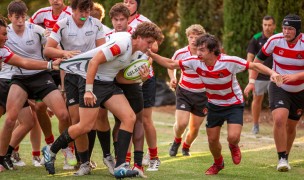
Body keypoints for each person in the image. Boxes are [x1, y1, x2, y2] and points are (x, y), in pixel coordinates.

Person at [146, 33, 281, 175]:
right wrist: (151, 55)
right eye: (198, 49)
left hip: (233, 103)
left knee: (233, 137)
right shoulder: (194, 61)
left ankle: (233, 145)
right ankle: (218, 163)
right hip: (214, 104)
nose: (198, 53)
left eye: (202, 50)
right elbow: (171, 63)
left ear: (212, 51)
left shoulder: (229, 62)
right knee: (212, 140)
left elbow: (255, 65)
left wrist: (272, 73)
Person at [41, 22, 163, 178]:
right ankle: (50, 150)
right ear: (138, 37)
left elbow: (120, 77)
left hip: (108, 84)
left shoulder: (137, 53)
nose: (151, 46)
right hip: (90, 81)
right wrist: (89, 91)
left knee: (129, 117)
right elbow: (94, 62)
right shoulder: (121, 45)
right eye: (149, 42)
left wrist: (141, 80)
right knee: (85, 126)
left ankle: (120, 166)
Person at [43, 0, 106, 175]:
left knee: (87, 122)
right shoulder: (62, 25)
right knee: (76, 120)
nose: (85, 15)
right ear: (72, 10)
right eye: (81, 11)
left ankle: (79, 159)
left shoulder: (97, 24)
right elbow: (48, 50)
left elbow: (103, 50)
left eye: (87, 11)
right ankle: (84, 162)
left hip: (90, 76)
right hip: (70, 76)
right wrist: (64, 53)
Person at [0, 14, 62, 170]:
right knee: (10, 120)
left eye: (6, 34)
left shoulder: (4, 51)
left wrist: (49, 65)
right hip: (5, 82)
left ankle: (4, 157)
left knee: (26, 121)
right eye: (3, 34)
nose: (6, 37)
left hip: (18, 81)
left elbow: (24, 62)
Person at [246, 14, 304, 172]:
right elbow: (256, 62)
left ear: (298, 30)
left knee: (291, 126)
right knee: (279, 119)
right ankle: (282, 158)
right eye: (284, 28)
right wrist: (252, 82)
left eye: (290, 29)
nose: (286, 32)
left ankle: (286, 155)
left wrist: (295, 76)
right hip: (278, 86)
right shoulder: (274, 40)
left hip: (300, 90)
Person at [29, 0, 75, 169]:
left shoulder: (72, 14)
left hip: (66, 67)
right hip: (46, 67)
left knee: (67, 113)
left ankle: (67, 149)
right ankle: (49, 145)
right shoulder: (41, 14)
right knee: (40, 108)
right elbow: (28, 31)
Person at [124, 0, 161, 171]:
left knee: (145, 119)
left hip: (145, 77)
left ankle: (154, 157)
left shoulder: (144, 22)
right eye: (125, 1)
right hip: (124, 78)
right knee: (127, 119)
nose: (127, 4)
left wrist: (148, 55)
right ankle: (126, 160)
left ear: (137, 5)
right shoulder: (119, 21)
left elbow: (155, 46)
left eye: (131, 2)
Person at [167, 24, 207, 157]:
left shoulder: (208, 53)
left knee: (194, 128)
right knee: (182, 123)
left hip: (203, 94)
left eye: (197, 37)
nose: (194, 40)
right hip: (184, 91)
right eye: (191, 37)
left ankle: (186, 146)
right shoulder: (181, 53)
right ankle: (176, 141)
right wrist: (173, 78)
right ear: (187, 38)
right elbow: (170, 65)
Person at [244, 15, 276, 134]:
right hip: (259, 77)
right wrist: (251, 78)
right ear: (262, 25)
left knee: (276, 102)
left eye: (269, 25)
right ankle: (255, 125)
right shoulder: (256, 39)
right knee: (257, 100)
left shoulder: (279, 38)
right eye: (265, 25)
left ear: (274, 26)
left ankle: (276, 125)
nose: (267, 27)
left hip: (275, 76)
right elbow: (250, 59)